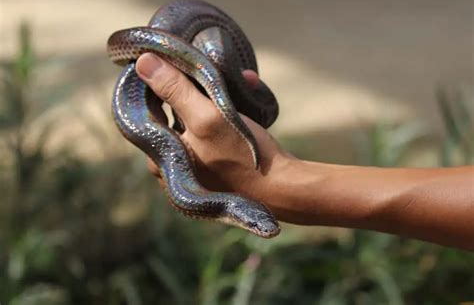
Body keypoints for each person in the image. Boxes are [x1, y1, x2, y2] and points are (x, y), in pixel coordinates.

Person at [135, 53, 474, 251]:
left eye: (257, 222)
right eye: (257, 222)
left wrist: (283, 183)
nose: (265, 229)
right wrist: (282, 179)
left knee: (233, 84)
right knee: (232, 80)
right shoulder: (205, 198)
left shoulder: (194, 196)